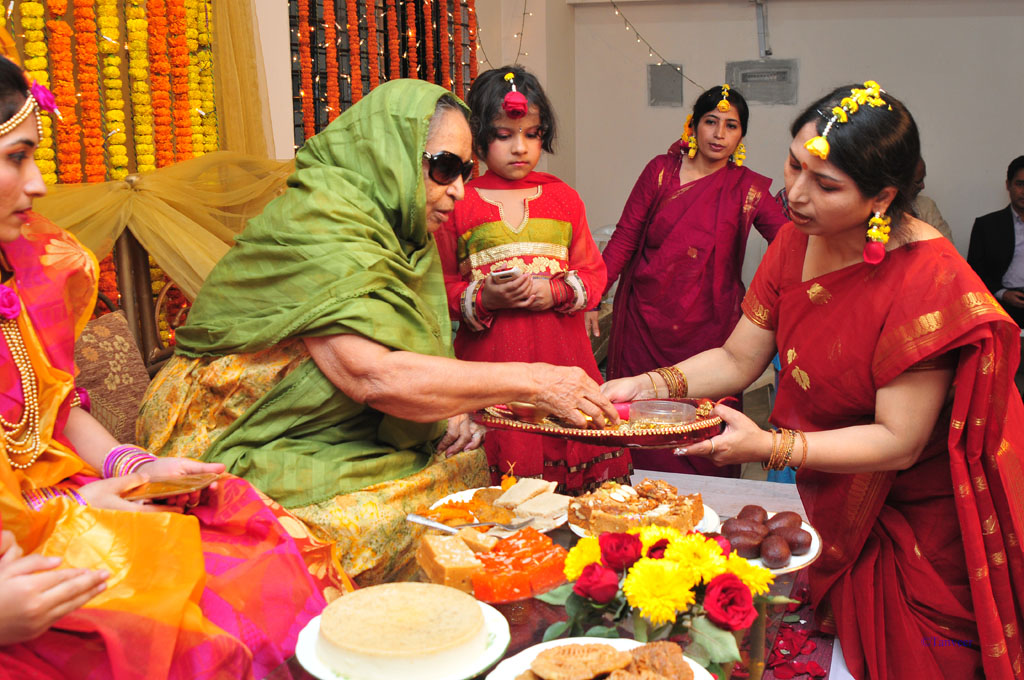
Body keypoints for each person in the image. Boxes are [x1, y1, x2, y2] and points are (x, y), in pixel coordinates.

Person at [602, 80, 1024, 679]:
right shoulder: (797, 241)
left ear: (882, 197)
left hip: (920, 514)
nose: (795, 194)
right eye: (794, 165)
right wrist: (645, 385)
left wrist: (768, 446)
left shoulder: (928, 278)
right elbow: (738, 358)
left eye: (825, 185)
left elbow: (899, 440)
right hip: (836, 492)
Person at [137, 79, 620, 585]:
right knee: (393, 520)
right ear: (391, 154)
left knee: (466, 475)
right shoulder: (320, 226)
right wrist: (536, 381)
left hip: (325, 420)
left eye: (465, 171)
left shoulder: (395, 227)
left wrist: (453, 406)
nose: (458, 190)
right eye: (444, 168)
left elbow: (404, 348)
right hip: (232, 425)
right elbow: (370, 375)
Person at [0, 56, 325, 679]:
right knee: (181, 624)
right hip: (29, 541)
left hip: (54, 498)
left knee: (238, 521)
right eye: (18, 157)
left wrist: (136, 466)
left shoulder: (31, 270)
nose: (38, 184)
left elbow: (55, 411)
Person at [436, 66, 629, 493]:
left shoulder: (564, 198)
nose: (520, 147)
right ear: (477, 136)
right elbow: (439, 287)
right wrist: (485, 298)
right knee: (500, 497)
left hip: (564, 359)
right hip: (490, 370)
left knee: (579, 495)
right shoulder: (458, 200)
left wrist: (553, 290)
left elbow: (593, 275)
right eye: (504, 135)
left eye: (532, 134)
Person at [594, 84, 787, 477]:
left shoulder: (747, 188)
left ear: (741, 135)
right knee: (642, 422)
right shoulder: (660, 172)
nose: (719, 134)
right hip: (644, 323)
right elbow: (625, 238)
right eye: (711, 122)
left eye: (731, 126)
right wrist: (592, 296)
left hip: (710, 330)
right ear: (693, 125)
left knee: (701, 429)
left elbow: (788, 241)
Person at [968, 155, 1024, 327]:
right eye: (1019, 184)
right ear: (1008, 185)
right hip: (1001, 305)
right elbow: (974, 273)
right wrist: (1002, 293)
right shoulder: (986, 226)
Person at [909, 158, 953, 240]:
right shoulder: (883, 211)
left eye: (923, 179)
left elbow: (947, 244)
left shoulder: (927, 206)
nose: (923, 186)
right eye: (918, 182)